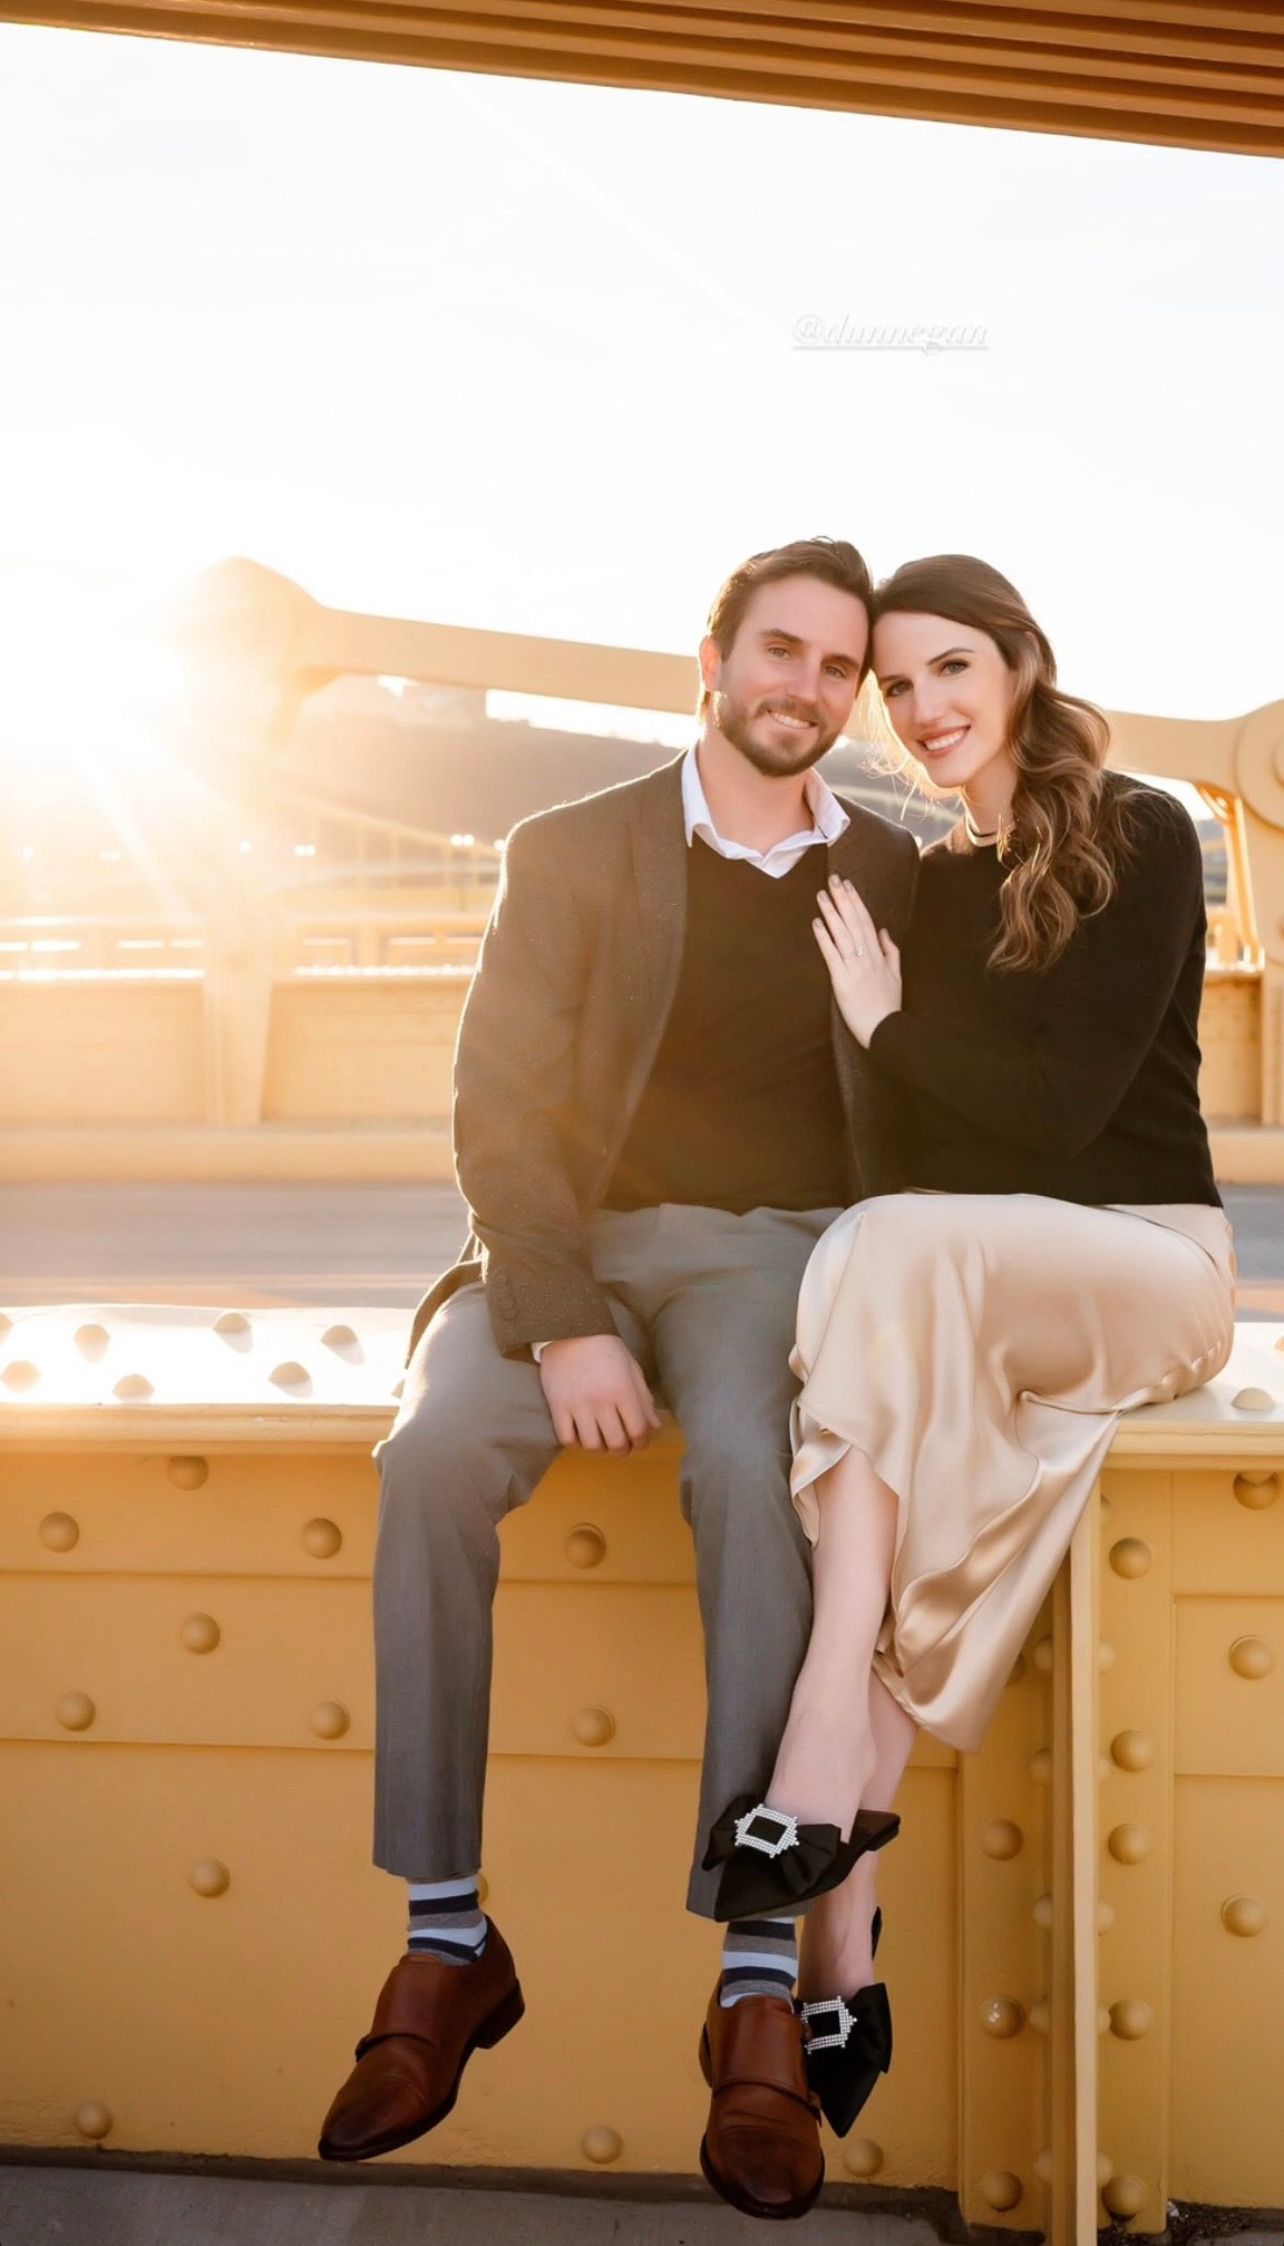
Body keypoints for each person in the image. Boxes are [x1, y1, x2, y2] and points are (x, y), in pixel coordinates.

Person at [317, 537, 919, 2218]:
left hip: (772, 1254)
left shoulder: (891, 866)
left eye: (839, 667)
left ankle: (753, 1975)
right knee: (432, 1449)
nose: (807, 687)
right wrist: (564, 1311)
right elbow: (499, 1101)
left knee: (750, 1458)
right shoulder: (573, 847)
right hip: (567, 1244)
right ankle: (447, 1936)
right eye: (781, 650)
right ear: (711, 660)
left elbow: (952, 1088)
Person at [704, 553, 1236, 2151]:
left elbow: (1061, 1117)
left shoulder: (1143, 831)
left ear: (1019, 663)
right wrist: (877, 1049)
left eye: (951, 668)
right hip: (980, 1283)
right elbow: (912, 1157)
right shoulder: (930, 886)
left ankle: (814, 1733)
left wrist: (889, 1025)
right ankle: (841, 1943)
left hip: (1149, 1271)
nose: (922, 707)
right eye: (896, 685)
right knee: (890, 1428)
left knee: (886, 1258)